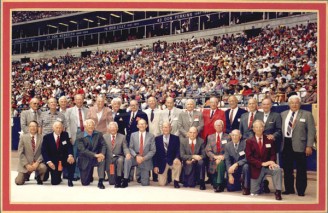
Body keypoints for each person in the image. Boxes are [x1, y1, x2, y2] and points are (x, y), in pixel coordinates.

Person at [280, 95, 316, 196]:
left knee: (301, 169)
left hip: (301, 145)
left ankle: (300, 190)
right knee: (287, 169)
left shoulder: (307, 114)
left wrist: (309, 146)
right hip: (286, 144)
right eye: (292, 102)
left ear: (299, 104)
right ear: (289, 104)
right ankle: (289, 189)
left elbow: (311, 131)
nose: (294, 104)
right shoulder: (283, 114)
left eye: (296, 102)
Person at [245, 120, 282, 200]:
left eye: (260, 127)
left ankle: (278, 191)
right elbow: (249, 158)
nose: (258, 129)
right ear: (253, 129)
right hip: (256, 168)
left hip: (268, 166)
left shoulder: (269, 140)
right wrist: (262, 163)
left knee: (277, 169)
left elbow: (273, 154)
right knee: (254, 193)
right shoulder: (249, 141)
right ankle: (263, 183)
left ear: (263, 128)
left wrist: (272, 162)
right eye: (256, 127)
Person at [121, 119, 156, 187]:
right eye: (140, 124)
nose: (141, 125)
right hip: (135, 158)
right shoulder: (133, 135)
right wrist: (136, 156)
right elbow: (130, 148)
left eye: (143, 124)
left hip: (145, 159)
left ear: (146, 125)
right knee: (127, 159)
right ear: (137, 126)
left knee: (145, 184)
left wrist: (143, 158)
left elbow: (153, 150)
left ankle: (142, 175)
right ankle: (125, 179)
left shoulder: (151, 136)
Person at [41, 121, 75, 187]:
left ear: (62, 128)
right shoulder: (47, 137)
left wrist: (70, 155)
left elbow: (69, 146)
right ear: (53, 128)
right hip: (52, 161)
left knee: (72, 161)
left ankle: (70, 180)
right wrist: (49, 162)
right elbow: (44, 151)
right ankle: (51, 174)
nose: (59, 129)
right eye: (57, 128)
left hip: (63, 159)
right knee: (55, 182)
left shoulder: (65, 135)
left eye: (60, 128)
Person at [76, 119, 107, 189]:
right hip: (85, 159)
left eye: (92, 125)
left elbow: (103, 145)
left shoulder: (98, 134)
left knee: (102, 160)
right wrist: (95, 155)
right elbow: (83, 150)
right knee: (85, 183)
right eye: (89, 125)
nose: (91, 126)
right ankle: (89, 175)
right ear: (85, 126)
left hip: (96, 158)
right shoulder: (80, 136)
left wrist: (102, 154)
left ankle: (100, 181)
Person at [15, 120, 47, 185]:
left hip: (37, 163)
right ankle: (27, 175)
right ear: (28, 127)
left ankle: (39, 177)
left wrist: (37, 162)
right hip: (26, 164)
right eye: (31, 126)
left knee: (43, 167)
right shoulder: (23, 137)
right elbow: (20, 152)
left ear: (37, 127)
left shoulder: (42, 138)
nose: (33, 128)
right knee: (19, 182)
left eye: (35, 126)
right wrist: (26, 164)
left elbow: (44, 152)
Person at [67, 94, 89, 180]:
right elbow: (67, 124)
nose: (79, 101)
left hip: (85, 133)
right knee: (74, 153)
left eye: (81, 99)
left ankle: (83, 174)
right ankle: (75, 174)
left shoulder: (87, 110)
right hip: (74, 133)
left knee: (83, 154)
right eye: (77, 99)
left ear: (83, 100)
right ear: (74, 101)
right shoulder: (69, 111)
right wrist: (69, 136)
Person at [153, 122, 181, 188]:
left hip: (172, 161)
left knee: (178, 163)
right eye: (164, 127)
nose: (165, 129)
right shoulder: (157, 139)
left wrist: (177, 158)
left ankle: (176, 181)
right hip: (162, 163)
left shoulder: (175, 138)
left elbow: (178, 150)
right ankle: (167, 178)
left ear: (170, 128)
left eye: (167, 127)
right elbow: (155, 154)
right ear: (161, 128)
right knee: (162, 184)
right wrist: (155, 166)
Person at [103, 121, 131, 187]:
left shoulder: (122, 137)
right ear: (108, 129)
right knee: (112, 182)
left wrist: (127, 153)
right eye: (111, 128)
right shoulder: (104, 137)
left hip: (119, 157)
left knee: (120, 160)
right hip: (109, 160)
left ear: (117, 129)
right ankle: (116, 177)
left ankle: (119, 177)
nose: (113, 129)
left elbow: (125, 148)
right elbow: (102, 148)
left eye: (114, 128)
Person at [205, 119, 230, 192]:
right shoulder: (210, 137)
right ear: (214, 127)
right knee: (214, 184)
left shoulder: (228, 137)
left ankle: (219, 184)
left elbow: (229, 150)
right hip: (213, 159)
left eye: (220, 125)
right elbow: (208, 150)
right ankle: (219, 183)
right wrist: (215, 157)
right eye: (217, 125)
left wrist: (222, 157)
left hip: (223, 159)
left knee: (220, 164)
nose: (218, 126)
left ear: (222, 126)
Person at [224, 129, 250, 195]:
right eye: (233, 135)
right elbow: (227, 161)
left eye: (236, 135)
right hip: (233, 169)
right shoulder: (227, 145)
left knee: (246, 166)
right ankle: (238, 183)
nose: (234, 137)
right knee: (230, 189)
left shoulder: (245, 144)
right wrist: (230, 174)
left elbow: (248, 158)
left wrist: (237, 164)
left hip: (242, 167)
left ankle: (246, 187)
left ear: (240, 136)